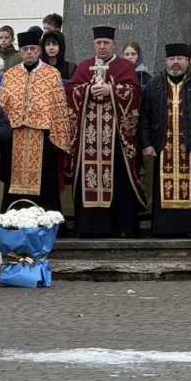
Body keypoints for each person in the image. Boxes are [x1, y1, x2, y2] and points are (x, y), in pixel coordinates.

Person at [66, 26, 145, 238]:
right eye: (98, 43)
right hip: (88, 139)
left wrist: (112, 90)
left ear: (114, 45)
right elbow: (71, 91)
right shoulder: (84, 66)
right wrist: (87, 90)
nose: (102, 46)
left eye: (106, 43)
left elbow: (136, 94)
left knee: (119, 178)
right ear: (93, 45)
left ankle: (121, 227)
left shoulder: (124, 66)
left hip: (117, 139)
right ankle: (89, 227)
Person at [138, 42, 191, 237]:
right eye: (172, 58)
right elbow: (145, 117)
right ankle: (165, 228)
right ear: (166, 60)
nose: (175, 62)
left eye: (180, 58)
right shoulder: (155, 84)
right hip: (163, 145)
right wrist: (146, 143)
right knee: (163, 188)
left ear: (186, 60)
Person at [0, 30, 71, 212]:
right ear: (20, 52)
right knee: (13, 178)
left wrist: (60, 137)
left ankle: (47, 219)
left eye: (32, 49)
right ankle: (13, 216)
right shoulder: (10, 75)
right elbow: (1, 107)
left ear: (39, 50)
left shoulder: (52, 74)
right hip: (14, 136)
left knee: (46, 180)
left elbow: (59, 109)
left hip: (43, 137)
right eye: (25, 49)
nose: (29, 52)